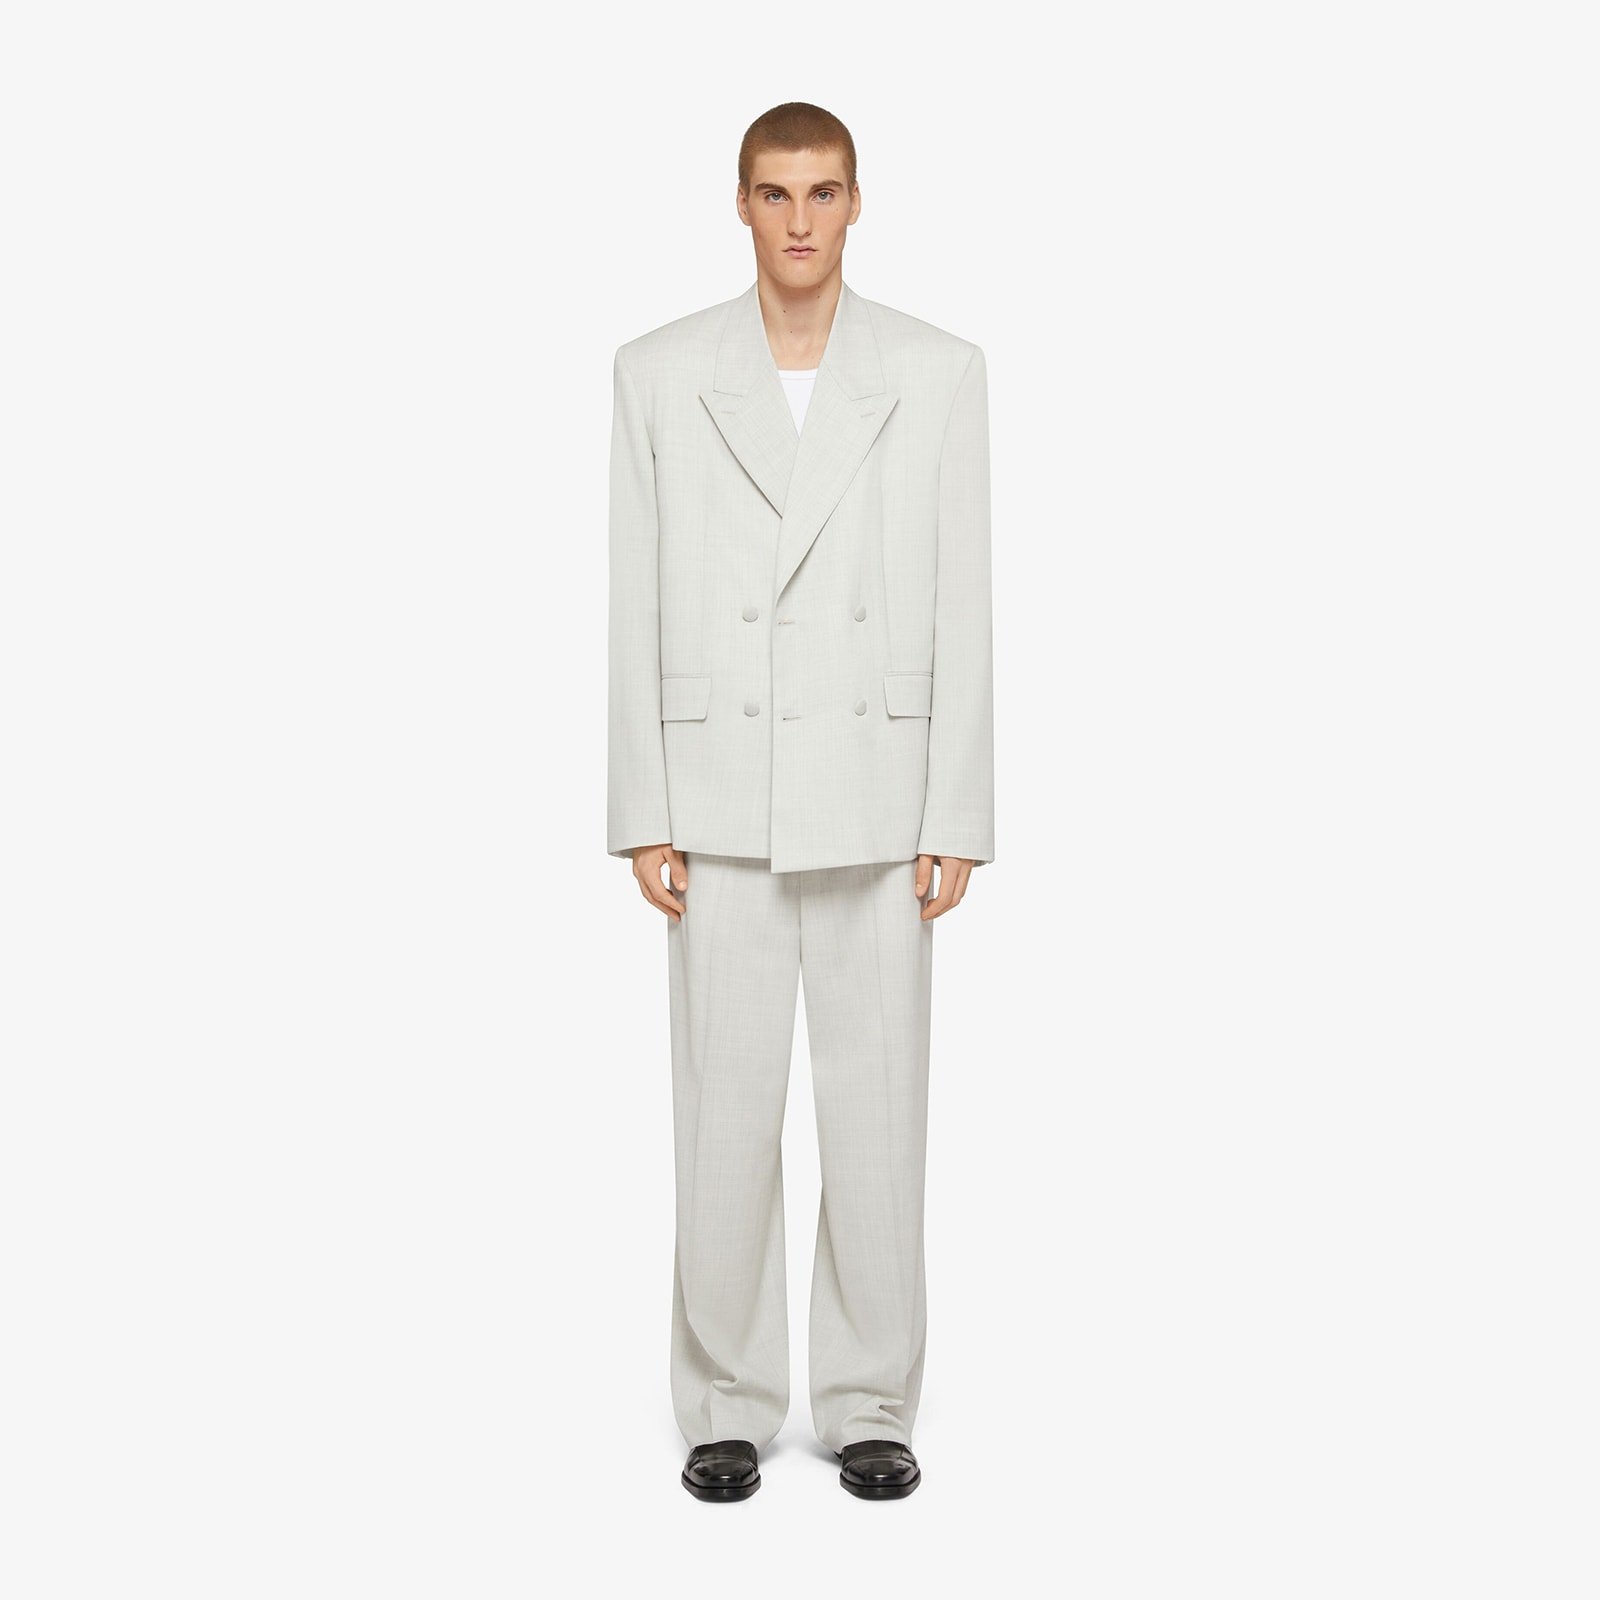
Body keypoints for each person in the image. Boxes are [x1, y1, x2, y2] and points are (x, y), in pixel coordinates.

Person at [606, 101, 994, 1501]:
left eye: (823, 192)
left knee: (877, 1118)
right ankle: (726, 1400)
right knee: (724, 1115)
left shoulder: (937, 372)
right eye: (776, 194)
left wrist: (958, 811)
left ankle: (871, 1399)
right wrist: (643, 803)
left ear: (856, 202)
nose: (800, 221)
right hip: (718, 788)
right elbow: (633, 592)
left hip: (880, 790)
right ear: (740, 203)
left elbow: (964, 594)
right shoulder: (659, 373)